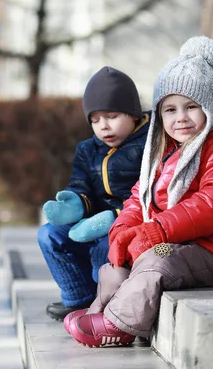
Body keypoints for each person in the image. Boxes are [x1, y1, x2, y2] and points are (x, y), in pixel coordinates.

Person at [64, 36, 213, 347]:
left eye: (191, 107)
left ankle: (119, 326)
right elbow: (138, 195)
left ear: (208, 107)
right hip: (176, 240)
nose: (180, 117)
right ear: (159, 115)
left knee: (156, 262)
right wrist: (124, 227)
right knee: (117, 261)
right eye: (170, 109)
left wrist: (158, 230)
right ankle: (99, 312)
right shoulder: (166, 150)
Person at [38, 66, 151, 321]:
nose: (104, 127)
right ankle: (78, 298)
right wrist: (76, 203)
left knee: (105, 247)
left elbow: (151, 192)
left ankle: (106, 304)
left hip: (128, 221)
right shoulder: (88, 149)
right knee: (49, 235)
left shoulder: (150, 143)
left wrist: (114, 216)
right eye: (95, 120)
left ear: (133, 113)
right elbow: (81, 183)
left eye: (111, 116)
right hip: (90, 221)